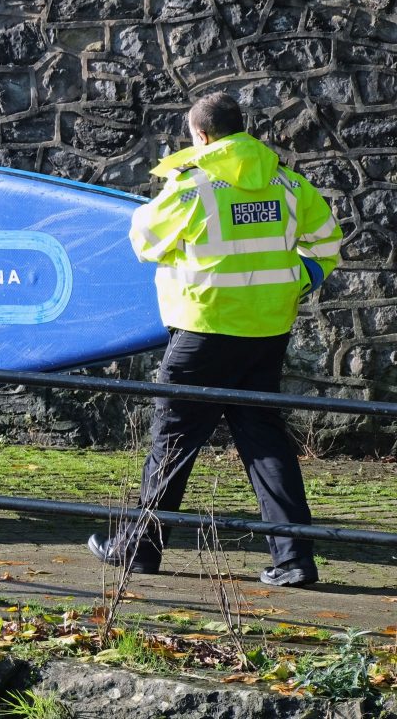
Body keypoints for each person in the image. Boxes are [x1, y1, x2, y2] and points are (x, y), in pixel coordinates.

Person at [87, 91, 342, 588]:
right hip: (266, 331)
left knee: (173, 440)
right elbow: (328, 244)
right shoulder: (286, 184)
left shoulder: (192, 186)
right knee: (265, 443)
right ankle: (293, 560)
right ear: (240, 129)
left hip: (202, 331)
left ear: (201, 135)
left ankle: (138, 550)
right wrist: (296, 281)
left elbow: (144, 241)